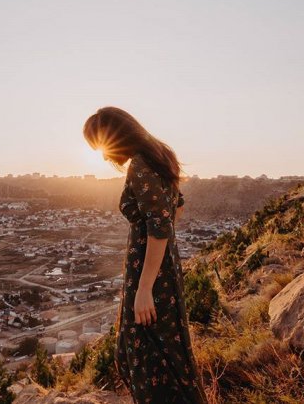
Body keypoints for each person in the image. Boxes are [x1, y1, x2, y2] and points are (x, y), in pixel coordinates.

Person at [83, 107, 209, 404]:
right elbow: (176, 207)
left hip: (150, 272)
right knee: (166, 352)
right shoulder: (160, 154)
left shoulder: (139, 164)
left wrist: (144, 288)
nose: (103, 156)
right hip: (162, 267)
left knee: (143, 354)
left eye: (101, 146)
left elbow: (160, 227)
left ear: (118, 135)